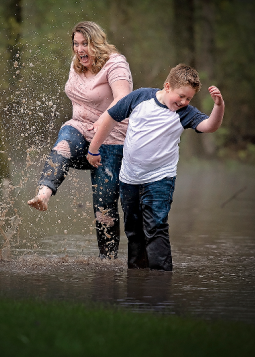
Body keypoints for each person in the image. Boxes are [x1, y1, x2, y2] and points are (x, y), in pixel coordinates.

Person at [86, 64, 225, 271]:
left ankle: (160, 280)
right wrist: (93, 149)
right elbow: (111, 117)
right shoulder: (140, 98)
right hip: (129, 178)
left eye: (189, 99)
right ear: (167, 86)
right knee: (133, 230)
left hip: (160, 178)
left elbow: (209, 126)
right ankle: (137, 277)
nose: (184, 102)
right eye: (181, 96)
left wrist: (219, 106)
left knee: (156, 227)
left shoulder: (185, 113)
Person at [28, 21, 133, 259]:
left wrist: (103, 121)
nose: (79, 49)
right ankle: (44, 193)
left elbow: (123, 99)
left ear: (97, 42)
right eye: (75, 44)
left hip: (111, 139)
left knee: (103, 207)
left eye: (85, 43)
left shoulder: (115, 64)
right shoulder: (76, 64)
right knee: (64, 142)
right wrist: (88, 125)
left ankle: (108, 262)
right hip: (80, 131)